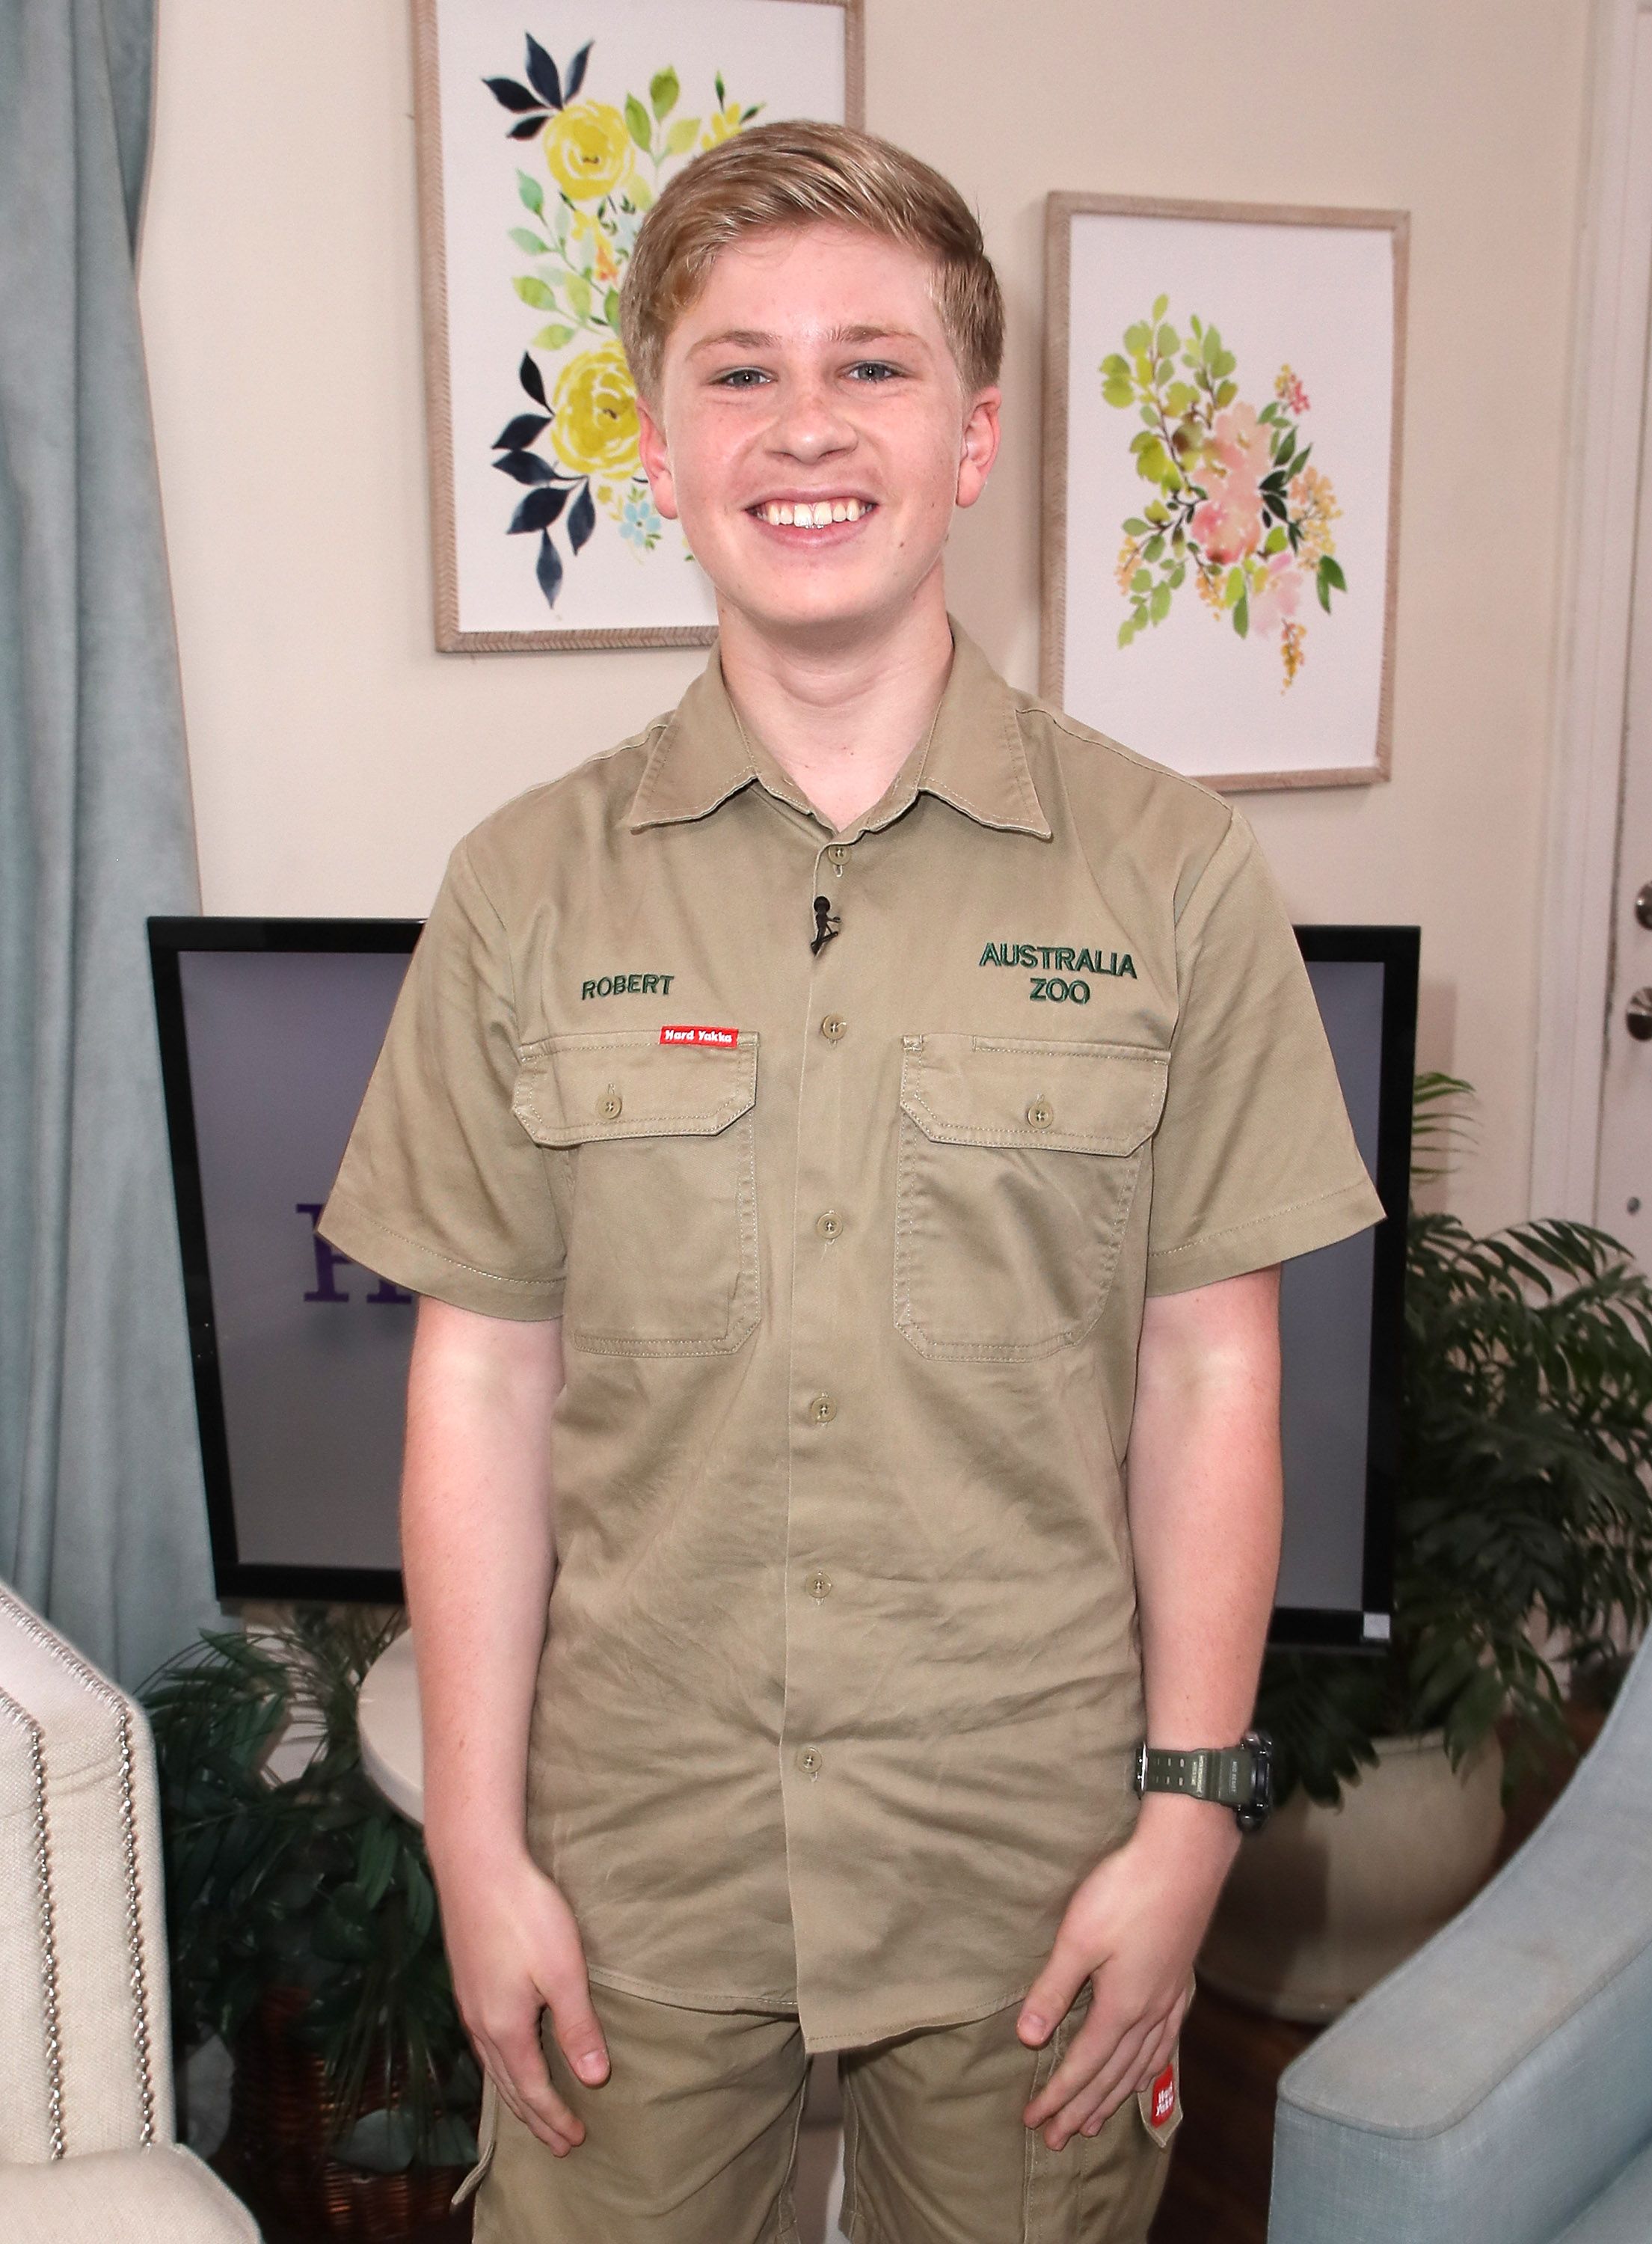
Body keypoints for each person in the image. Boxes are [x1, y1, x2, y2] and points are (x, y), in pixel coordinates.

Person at [319, 120, 1385, 2244]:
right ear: (657, 441)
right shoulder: (522, 889)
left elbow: (1209, 1388)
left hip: (1033, 1846)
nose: (806, 426)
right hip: (634, 1847)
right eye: (738, 371)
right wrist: (472, 1846)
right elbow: (478, 1395)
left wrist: (1187, 1825)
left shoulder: (1171, 872)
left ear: (974, 436)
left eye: (873, 366)